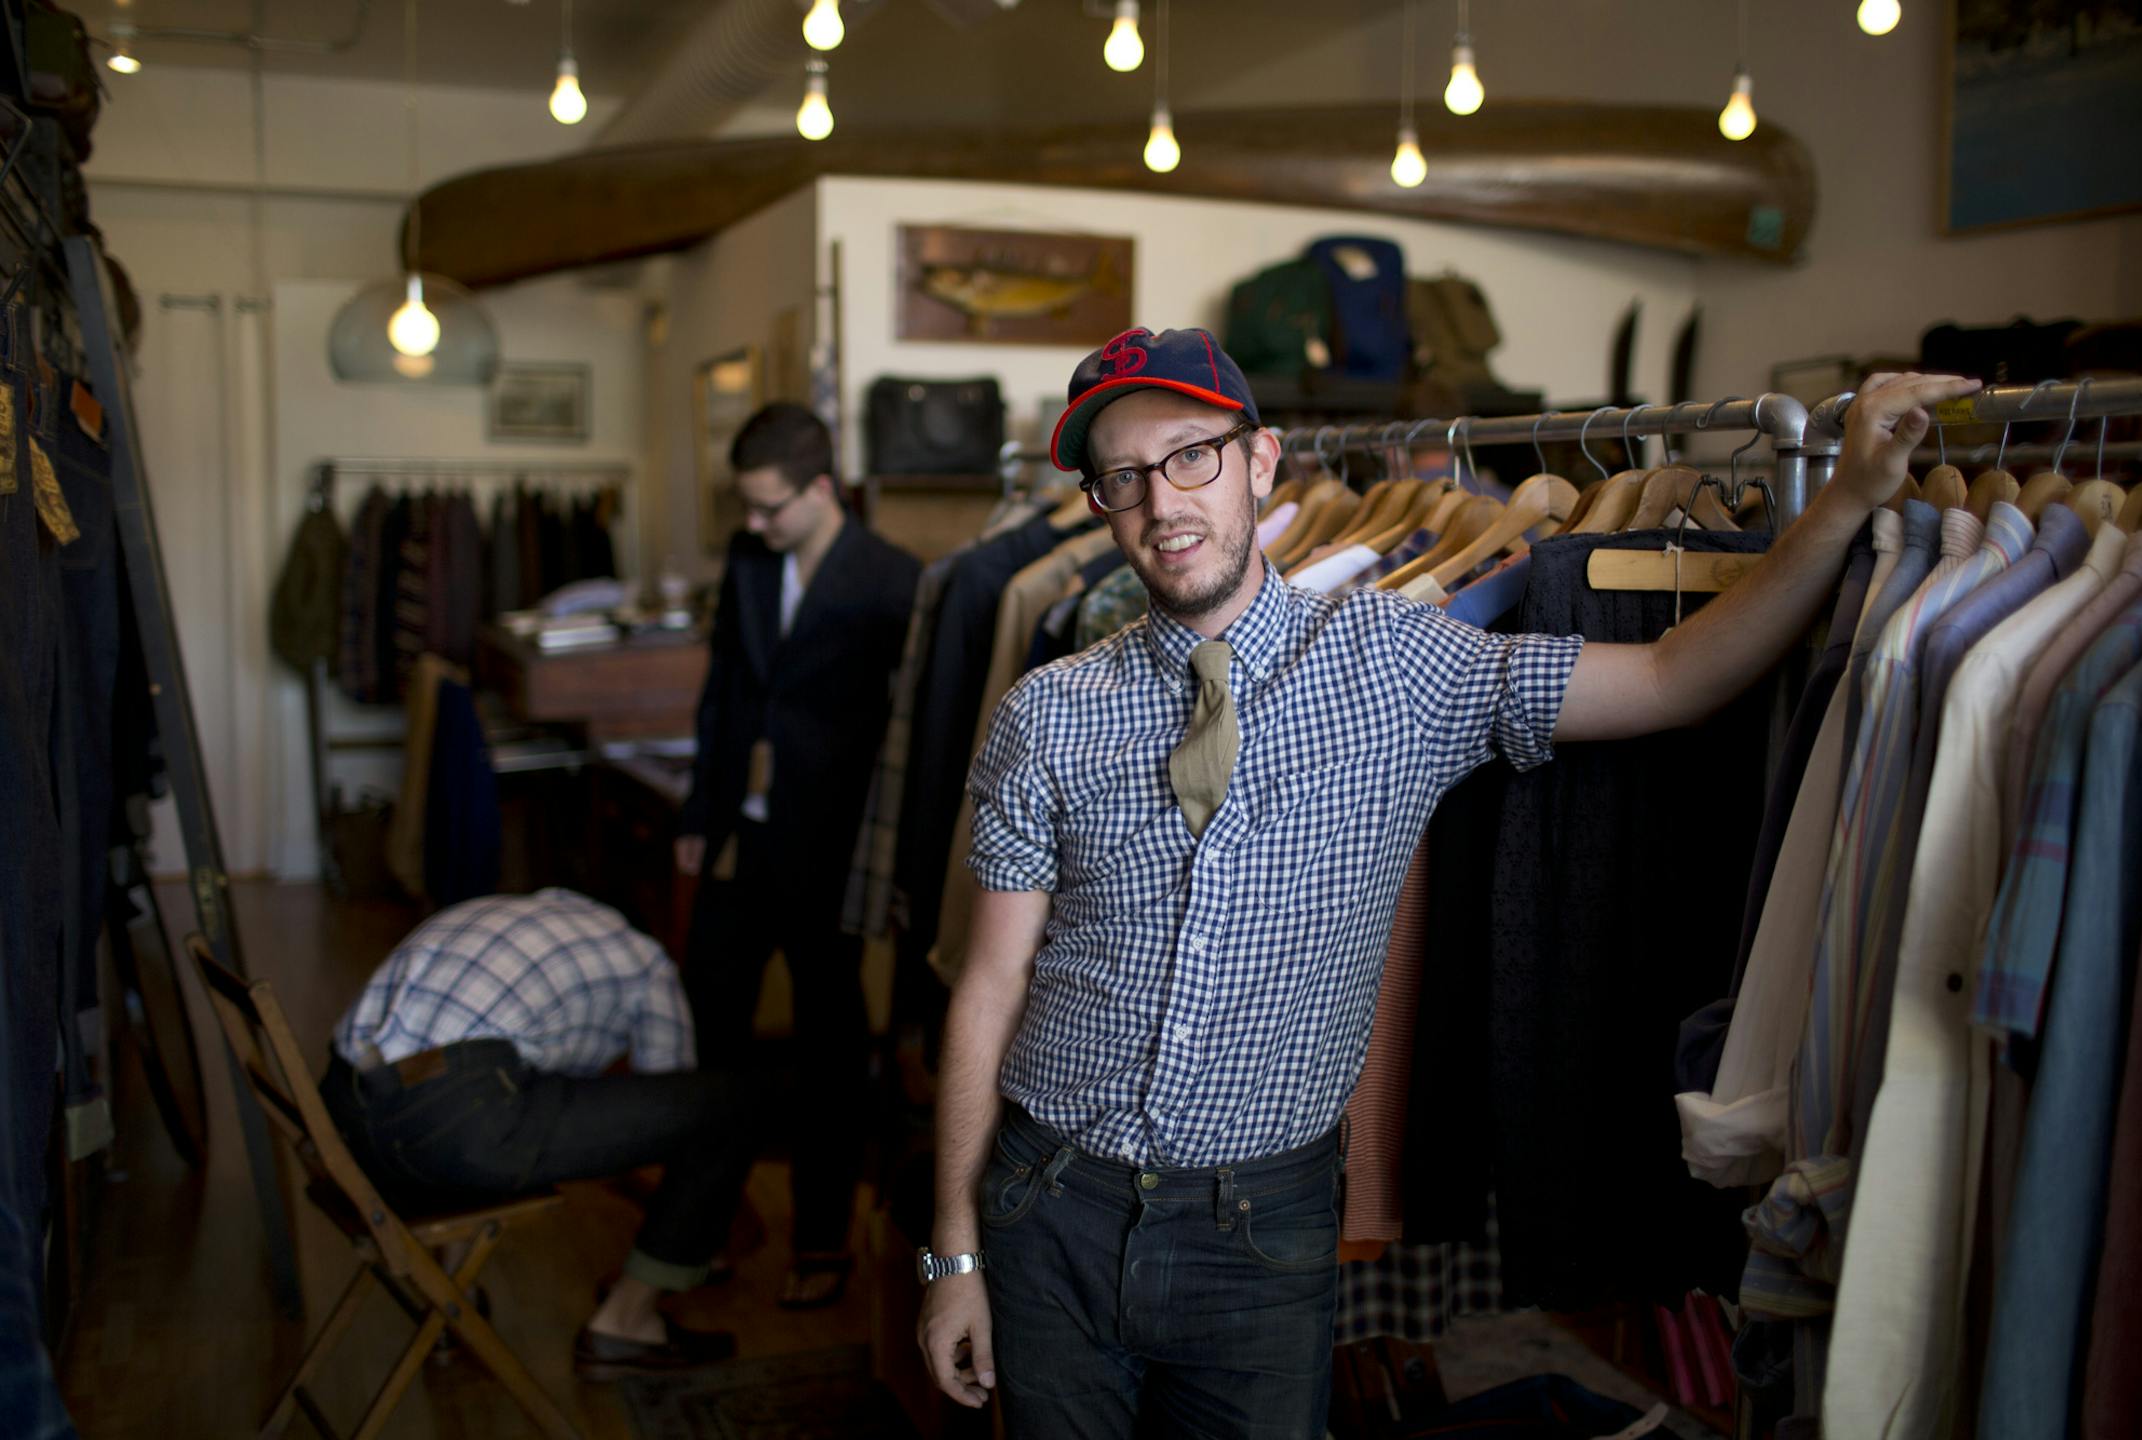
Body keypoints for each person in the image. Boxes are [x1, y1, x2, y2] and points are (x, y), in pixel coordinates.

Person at [913, 325, 1979, 1436]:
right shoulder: (1049, 710)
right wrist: (954, 1252)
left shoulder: (1402, 662)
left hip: (1258, 1231)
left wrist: (1847, 496)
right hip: (1048, 1204)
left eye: (1190, 456)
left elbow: (1674, 674)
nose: (1161, 501)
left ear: (1261, 460)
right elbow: (989, 987)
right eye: (1121, 477)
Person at [677, 401, 922, 1308]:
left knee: (829, 1048)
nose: (753, 523)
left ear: (823, 489)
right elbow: (723, 691)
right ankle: (699, 1226)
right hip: (739, 839)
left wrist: (894, 864)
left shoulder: (897, 579)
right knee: (708, 1037)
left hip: (832, 849)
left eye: (769, 506)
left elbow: (906, 734)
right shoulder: (747, 560)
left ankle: (821, 1242)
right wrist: (701, 811)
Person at [319, 888, 751, 1379]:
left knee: (477, 1080)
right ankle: (627, 1323)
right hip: (451, 1128)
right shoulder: (646, 960)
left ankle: (451, 1297)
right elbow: (675, 1103)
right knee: (727, 1107)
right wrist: (706, 1221)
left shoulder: (496, 910)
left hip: (344, 1129)